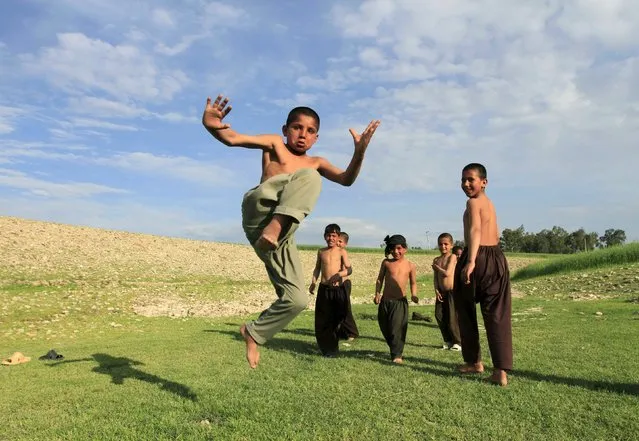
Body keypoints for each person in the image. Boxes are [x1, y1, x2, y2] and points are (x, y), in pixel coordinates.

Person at [202, 95, 380, 368]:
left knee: (297, 299)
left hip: (280, 235)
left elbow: (346, 180)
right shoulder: (274, 144)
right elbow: (232, 138)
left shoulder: (315, 161)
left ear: (316, 138)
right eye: (297, 127)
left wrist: (360, 151)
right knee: (309, 176)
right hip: (260, 214)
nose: (302, 135)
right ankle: (276, 226)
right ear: (285, 130)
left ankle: (254, 332)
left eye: (309, 131)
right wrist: (211, 124)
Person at [454, 163, 513, 386]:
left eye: (471, 179)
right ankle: (500, 371)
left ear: (484, 182)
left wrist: (470, 261)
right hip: (496, 257)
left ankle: (474, 362)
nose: (466, 184)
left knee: (466, 311)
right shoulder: (489, 203)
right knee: (497, 314)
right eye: (463, 180)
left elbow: (475, 230)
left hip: (477, 256)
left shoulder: (473, 202)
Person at [374, 234, 418, 364]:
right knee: (384, 326)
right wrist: (377, 293)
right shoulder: (386, 263)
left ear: (405, 249)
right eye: (393, 248)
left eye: (399, 248)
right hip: (385, 301)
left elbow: (413, 283)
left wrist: (414, 294)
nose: (396, 251)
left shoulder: (410, 265)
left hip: (400, 302)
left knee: (396, 329)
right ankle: (394, 347)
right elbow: (379, 279)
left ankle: (397, 355)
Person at [309, 224, 352, 356]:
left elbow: (349, 269)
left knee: (336, 318)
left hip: (337, 289)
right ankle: (325, 347)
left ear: (338, 237)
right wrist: (313, 282)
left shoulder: (341, 252)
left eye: (334, 236)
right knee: (323, 319)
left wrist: (339, 274)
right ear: (324, 237)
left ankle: (333, 346)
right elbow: (317, 268)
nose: (331, 238)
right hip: (324, 289)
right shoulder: (321, 251)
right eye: (328, 235)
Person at [432, 233, 462, 351]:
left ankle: (457, 342)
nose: (443, 246)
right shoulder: (437, 260)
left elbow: (448, 273)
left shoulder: (452, 257)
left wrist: (437, 268)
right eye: (440, 244)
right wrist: (436, 290)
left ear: (451, 245)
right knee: (439, 315)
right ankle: (448, 340)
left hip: (452, 291)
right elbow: (435, 277)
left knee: (452, 317)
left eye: (446, 244)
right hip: (441, 292)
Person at [337, 231, 359, 341]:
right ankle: (341, 332)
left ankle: (352, 332)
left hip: (344, 284)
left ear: (345, 243)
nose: (338, 243)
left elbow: (348, 269)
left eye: (340, 241)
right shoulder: (332, 252)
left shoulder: (342, 252)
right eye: (337, 241)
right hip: (336, 285)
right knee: (337, 309)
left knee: (345, 308)